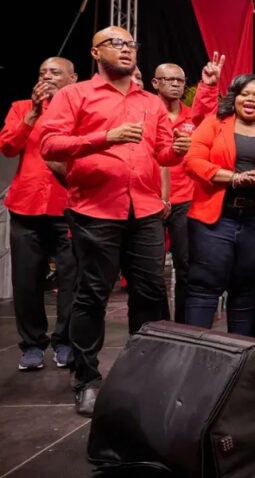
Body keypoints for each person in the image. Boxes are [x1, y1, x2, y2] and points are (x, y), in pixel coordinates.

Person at [39, 26, 190, 416]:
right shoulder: (75, 95)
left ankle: (147, 375)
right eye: (116, 44)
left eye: (131, 44)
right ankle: (87, 378)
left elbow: (162, 154)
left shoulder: (150, 102)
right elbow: (49, 144)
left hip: (145, 210)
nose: (126, 50)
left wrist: (178, 149)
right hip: (95, 209)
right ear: (95, 52)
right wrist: (106, 137)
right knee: (92, 294)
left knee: (152, 293)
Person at [184, 74, 255, 337]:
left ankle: (239, 352)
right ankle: (196, 351)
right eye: (244, 94)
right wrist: (234, 178)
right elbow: (193, 161)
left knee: (246, 288)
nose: (250, 99)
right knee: (204, 286)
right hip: (214, 219)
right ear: (234, 98)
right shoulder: (214, 123)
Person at [1, 57, 78, 371]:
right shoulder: (21, 108)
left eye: (55, 72)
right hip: (26, 204)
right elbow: (7, 147)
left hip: (68, 204)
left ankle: (65, 341)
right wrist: (33, 113)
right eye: (42, 72)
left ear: (73, 79)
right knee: (26, 279)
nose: (47, 76)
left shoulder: (81, 109)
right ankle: (32, 344)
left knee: (71, 279)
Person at [151, 58, 219, 323]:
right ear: (155, 83)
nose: (175, 85)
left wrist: (208, 86)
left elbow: (208, 114)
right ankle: (158, 325)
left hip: (187, 200)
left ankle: (183, 327)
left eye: (180, 80)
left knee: (187, 266)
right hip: (151, 199)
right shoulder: (145, 113)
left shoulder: (192, 116)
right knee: (151, 270)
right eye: (169, 80)